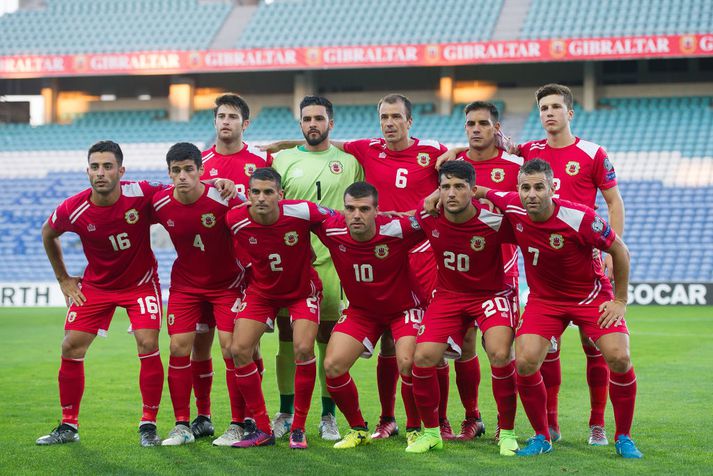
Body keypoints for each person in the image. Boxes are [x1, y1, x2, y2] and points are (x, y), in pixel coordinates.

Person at [265, 93, 454, 440]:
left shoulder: (433, 151)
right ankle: (380, 420)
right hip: (369, 254)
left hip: (419, 257)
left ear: (409, 121)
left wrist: (453, 160)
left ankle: (432, 422)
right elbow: (323, 140)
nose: (390, 123)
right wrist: (285, 144)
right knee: (347, 351)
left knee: (424, 352)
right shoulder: (366, 148)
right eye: (385, 117)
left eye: (397, 117)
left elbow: (459, 168)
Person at [478, 159, 642, 458]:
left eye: (539, 187)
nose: (532, 194)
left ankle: (623, 437)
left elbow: (620, 249)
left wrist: (620, 300)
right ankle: (542, 436)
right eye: (525, 187)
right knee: (525, 361)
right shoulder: (512, 206)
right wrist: (439, 196)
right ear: (517, 189)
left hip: (590, 297)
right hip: (545, 300)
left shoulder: (579, 217)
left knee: (620, 357)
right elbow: (480, 191)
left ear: (552, 187)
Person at [37, 140, 168, 447]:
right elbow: (48, 232)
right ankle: (68, 425)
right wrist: (63, 278)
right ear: (87, 171)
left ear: (121, 171)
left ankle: (148, 424)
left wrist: (217, 183)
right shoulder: (74, 207)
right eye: (95, 167)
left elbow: (181, 191)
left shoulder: (142, 192)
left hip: (140, 283)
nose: (101, 173)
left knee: (147, 342)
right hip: (97, 286)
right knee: (71, 346)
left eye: (108, 166)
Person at [514, 84, 625, 445]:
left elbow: (613, 201)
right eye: (543, 107)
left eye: (556, 107)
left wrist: (611, 250)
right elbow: (488, 156)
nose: (549, 113)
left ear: (569, 113)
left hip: (586, 261)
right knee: (545, 350)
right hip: (545, 265)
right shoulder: (529, 151)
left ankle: (597, 423)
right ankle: (550, 425)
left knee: (595, 347)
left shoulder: (592, 153)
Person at [408, 161, 520, 456]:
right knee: (422, 357)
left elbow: (532, 228)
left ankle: (507, 432)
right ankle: (432, 433)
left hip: (491, 294)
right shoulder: (429, 218)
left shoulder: (495, 223)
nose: (451, 193)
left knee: (499, 352)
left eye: (459, 187)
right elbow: (398, 229)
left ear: (473, 190)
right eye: (445, 187)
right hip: (449, 295)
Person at [270, 96, 363, 441]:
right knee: (286, 338)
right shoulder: (283, 159)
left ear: (331, 124)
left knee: (326, 339)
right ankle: (285, 410)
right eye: (306, 119)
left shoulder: (349, 162)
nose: (312, 124)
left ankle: (328, 416)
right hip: (291, 264)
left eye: (318, 118)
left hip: (333, 264)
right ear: (300, 124)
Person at [314, 182, 426, 450]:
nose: (356, 215)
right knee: (333, 366)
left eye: (364, 209)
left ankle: (414, 429)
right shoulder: (331, 228)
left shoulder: (397, 230)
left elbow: (432, 219)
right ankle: (358, 428)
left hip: (404, 310)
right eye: (350, 208)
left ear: (377, 210)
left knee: (408, 363)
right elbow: (294, 212)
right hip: (362, 312)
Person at [188, 93, 273, 441]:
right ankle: (203, 415)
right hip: (203, 267)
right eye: (220, 116)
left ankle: (249, 418)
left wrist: (238, 193)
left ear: (245, 124)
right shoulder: (199, 163)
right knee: (198, 344)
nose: (225, 121)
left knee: (242, 348)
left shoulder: (261, 160)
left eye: (232, 116)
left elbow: (269, 205)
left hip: (244, 271)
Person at [151, 143, 246, 446]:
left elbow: (253, 223)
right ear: (169, 173)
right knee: (180, 347)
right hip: (186, 286)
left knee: (231, 348)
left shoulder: (223, 197)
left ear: (201, 170)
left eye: (188, 169)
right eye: (176, 170)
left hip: (227, 284)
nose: (182, 176)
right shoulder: (160, 203)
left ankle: (238, 423)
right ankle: (185, 424)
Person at [226, 167, 327, 449]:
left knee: (304, 348)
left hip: (301, 291)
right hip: (262, 292)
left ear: (280, 195)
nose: (261, 198)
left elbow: (337, 222)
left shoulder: (302, 211)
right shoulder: (235, 219)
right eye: (255, 192)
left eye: (268, 192)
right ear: (247, 195)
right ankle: (262, 428)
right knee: (239, 349)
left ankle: (298, 428)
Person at [451, 101, 523, 440]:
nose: (476, 129)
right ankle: (472, 416)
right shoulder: (452, 167)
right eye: (470, 123)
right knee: (464, 346)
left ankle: (504, 424)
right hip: (460, 274)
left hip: (502, 274)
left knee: (500, 350)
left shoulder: (515, 165)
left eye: (482, 123)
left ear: (497, 128)